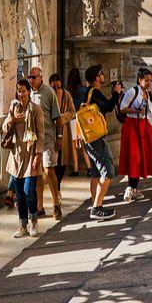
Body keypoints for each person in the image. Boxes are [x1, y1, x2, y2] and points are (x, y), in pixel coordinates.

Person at [2, 79, 45, 237]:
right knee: (18, 192)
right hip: (16, 155)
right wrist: (12, 120)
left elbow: (41, 134)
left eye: (24, 91)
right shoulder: (14, 107)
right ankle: (22, 224)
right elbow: (4, 127)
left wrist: (38, 155)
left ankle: (33, 219)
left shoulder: (35, 109)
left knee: (29, 191)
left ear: (29, 92)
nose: (21, 94)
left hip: (31, 153)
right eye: (19, 91)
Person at [80, 64, 123, 220]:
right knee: (107, 170)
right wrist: (116, 93)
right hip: (96, 138)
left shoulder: (87, 92)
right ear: (97, 78)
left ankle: (94, 203)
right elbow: (109, 107)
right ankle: (97, 208)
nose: (104, 75)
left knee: (96, 173)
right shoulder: (95, 92)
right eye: (101, 73)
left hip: (89, 137)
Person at [118, 67, 152, 202]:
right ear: (140, 80)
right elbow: (122, 108)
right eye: (146, 80)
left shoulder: (148, 94)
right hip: (132, 126)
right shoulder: (132, 91)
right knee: (135, 157)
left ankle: (134, 188)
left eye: (150, 80)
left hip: (144, 126)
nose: (149, 83)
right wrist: (135, 111)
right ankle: (130, 188)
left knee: (142, 158)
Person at [28, 66, 62, 220]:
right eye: (30, 77)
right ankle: (39, 207)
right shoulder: (28, 94)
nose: (31, 80)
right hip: (33, 140)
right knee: (37, 173)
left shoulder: (49, 93)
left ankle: (56, 204)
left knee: (49, 170)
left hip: (48, 137)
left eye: (34, 77)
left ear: (41, 77)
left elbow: (57, 117)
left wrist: (59, 137)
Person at [50, 73, 79, 180]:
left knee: (64, 158)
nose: (56, 89)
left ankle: (59, 181)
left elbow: (73, 112)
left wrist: (62, 118)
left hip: (64, 131)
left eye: (58, 86)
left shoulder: (66, 95)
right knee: (54, 160)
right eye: (54, 87)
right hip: (52, 130)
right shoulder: (49, 95)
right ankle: (56, 185)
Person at [65, 67, 89, 177]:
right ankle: (89, 167)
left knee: (74, 147)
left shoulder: (67, 92)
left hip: (72, 120)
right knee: (84, 146)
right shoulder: (84, 89)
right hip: (82, 119)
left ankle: (75, 170)